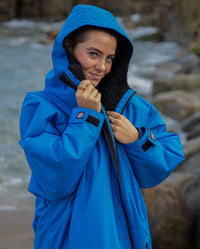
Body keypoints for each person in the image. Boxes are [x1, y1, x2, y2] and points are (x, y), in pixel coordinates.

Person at [19, 4, 185, 249]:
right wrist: (85, 117)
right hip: (67, 236)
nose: (103, 67)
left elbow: (164, 162)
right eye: (94, 54)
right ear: (68, 47)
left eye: (110, 58)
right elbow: (55, 179)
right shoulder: (41, 105)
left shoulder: (129, 106)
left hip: (125, 236)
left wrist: (138, 139)